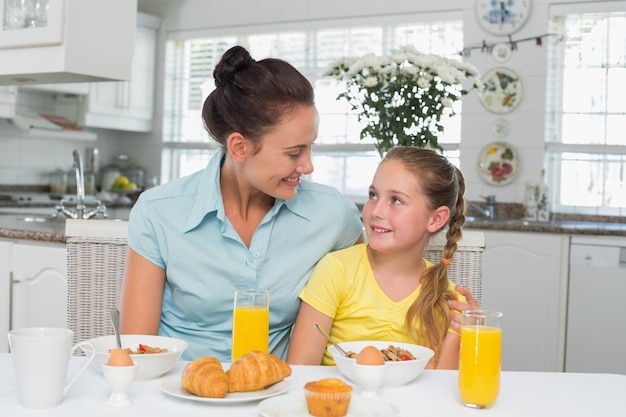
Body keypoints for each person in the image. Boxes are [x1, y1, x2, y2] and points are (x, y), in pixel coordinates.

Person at [119, 45, 364, 362]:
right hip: (181, 392)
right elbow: (138, 349)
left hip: (277, 398)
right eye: (294, 153)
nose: (308, 166)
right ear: (240, 147)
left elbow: (366, 298)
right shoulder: (159, 212)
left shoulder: (333, 215)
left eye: (310, 148)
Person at [287, 146, 473, 369]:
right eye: (373, 195)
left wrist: (462, 332)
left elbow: (440, 390)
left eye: (396, 200)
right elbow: (299, 371)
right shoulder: (336, 270)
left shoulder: (448, 299)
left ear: (435, 219)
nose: (376, 211)